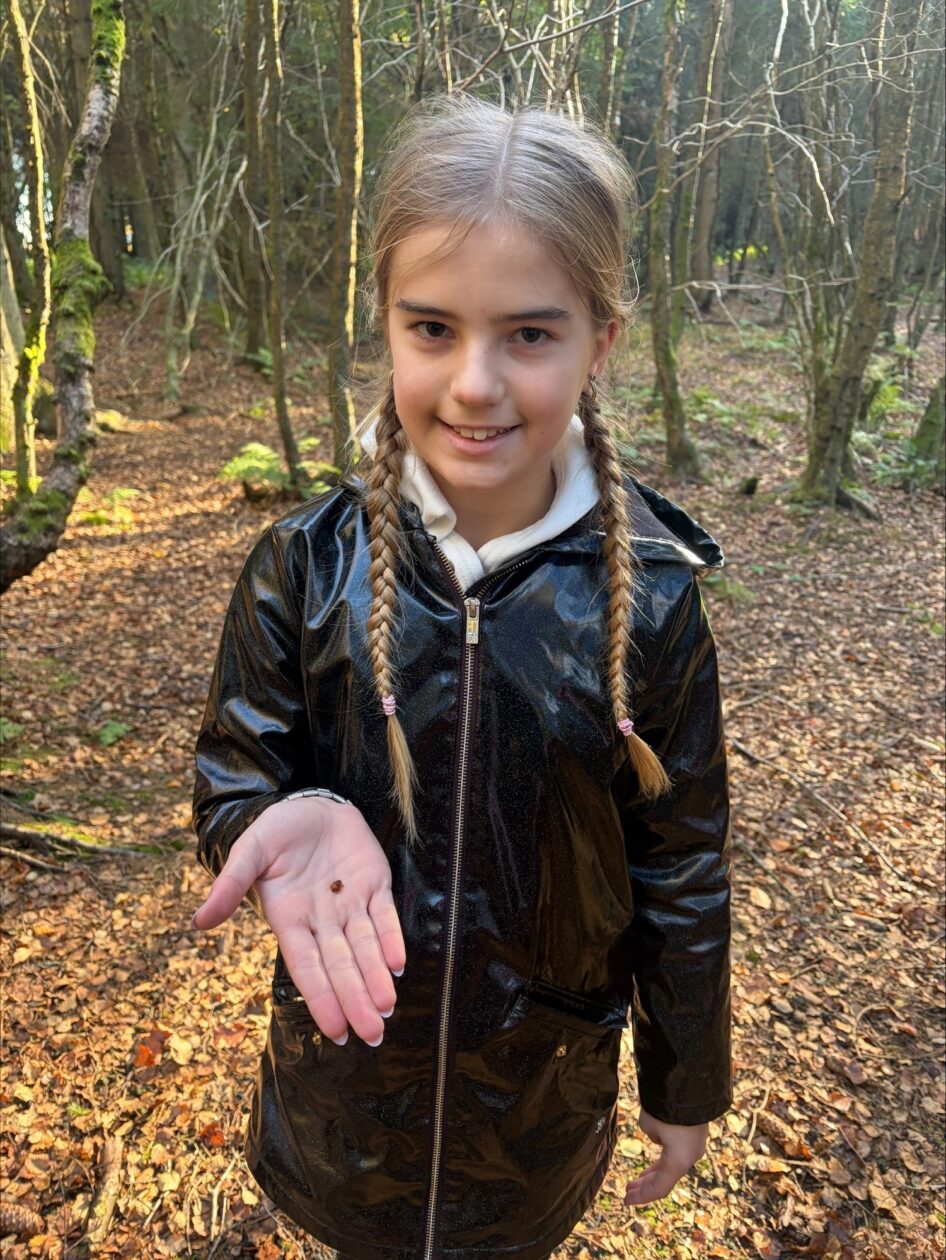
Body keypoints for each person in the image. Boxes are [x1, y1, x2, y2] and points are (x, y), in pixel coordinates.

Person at [190, 94, 732, 1260]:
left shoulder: (654, 602)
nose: (475, 382)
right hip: (345, 1111)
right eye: (432, 328)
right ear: (385, 324)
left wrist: (684, 1079)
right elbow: (236, 769)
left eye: (528, 334)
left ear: (600, 341)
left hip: (533, 1121)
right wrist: (283, 814)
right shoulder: (304, 566)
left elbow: (681, 859)